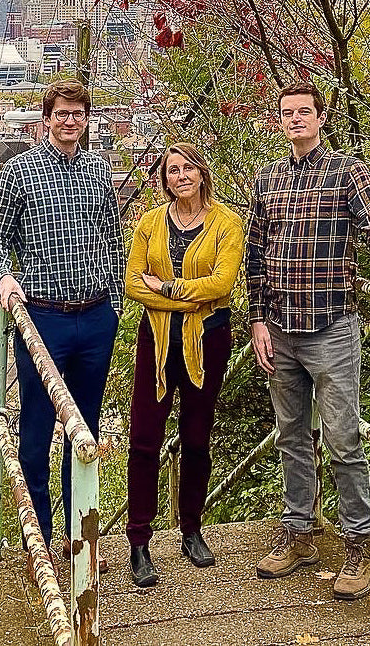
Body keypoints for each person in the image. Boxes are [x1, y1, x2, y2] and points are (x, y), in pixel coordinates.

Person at [245, 82, 370, 601]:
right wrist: (257, 320)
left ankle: (360, 544)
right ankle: (300, 533)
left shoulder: (345, 170)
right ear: (278, 121)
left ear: (320, 117)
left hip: (331, 327)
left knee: (342, 439)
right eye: (287, 113)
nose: (295, 119)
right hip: (280, 330)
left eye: (304, 112)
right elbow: (255, 254)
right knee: (291, 437)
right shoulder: (267, 177)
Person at [0, 79, 124, 569]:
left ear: (87, 121)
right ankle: (38, 540)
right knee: (37, 433)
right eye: (62, 113)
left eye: (78, 114)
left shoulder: (100, 172)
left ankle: (78, 536)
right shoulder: (20, 172)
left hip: (95, 317)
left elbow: (114, 236)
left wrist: (116, 303)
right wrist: (4, 278)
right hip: (41, 317)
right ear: (46, 119)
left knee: (82, 430)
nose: (70, 121)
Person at [123, 143, 244, 587]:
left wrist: (170, 288)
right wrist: (189, 295)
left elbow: (223, 283)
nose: (181, 176)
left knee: (196, 436)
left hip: (208, 340)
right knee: (144, 438)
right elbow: (134, 284)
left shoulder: (227, 222)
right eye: (172, 170)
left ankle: (191, 528)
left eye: (188, 167)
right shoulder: (150, 223)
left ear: (202, 172)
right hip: (155, 338)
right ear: (165, 178)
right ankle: (139, 540)